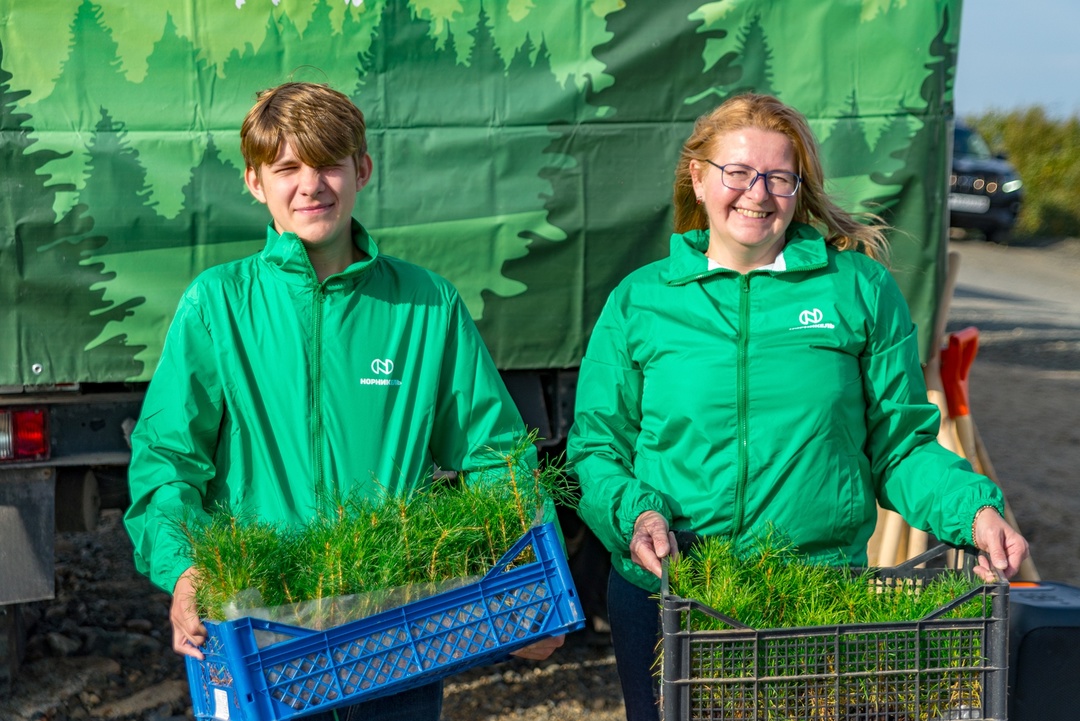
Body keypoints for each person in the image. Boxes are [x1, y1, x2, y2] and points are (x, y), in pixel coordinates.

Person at [565, 93, 1029, 721]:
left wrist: (972, 511)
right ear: (699, 178)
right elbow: (597, 449)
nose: (756, 193)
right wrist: (635, 514)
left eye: (779, 177)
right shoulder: (639, 301)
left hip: (812, 600)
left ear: (800, 187)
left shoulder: (859, 290)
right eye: (737, 172)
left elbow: (899, 448)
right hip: (669, 600)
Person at [124, 81, 562, 721]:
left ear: (362, 169)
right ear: (254, 181)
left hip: (396, 629)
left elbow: (495, 457)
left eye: (329, 163)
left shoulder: (423, 304)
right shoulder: (218, 305)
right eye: (286, 169)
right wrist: (184, 570)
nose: (311, 185)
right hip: (259, 626)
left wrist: (532, 584)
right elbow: (168, 459)